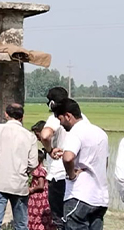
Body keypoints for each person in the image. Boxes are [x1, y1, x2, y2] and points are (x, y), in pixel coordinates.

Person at [51, 99, 108, 230]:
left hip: (79, 196)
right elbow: (104, 162)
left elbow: (68, 158)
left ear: (68, 116)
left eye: (60, 119)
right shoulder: (100, 132)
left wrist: (71, 175)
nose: (61, 124)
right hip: (99, 197)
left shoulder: (75, 132)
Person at [37, 87, 89, 230]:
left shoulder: (55, 117)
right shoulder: (83, 118)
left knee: (59, 218)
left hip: (59, 174)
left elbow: (45, 135)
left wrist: (50, 150)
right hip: (78, 174)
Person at [0, 104, 38, 230]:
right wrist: (23, 171)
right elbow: (33, 163)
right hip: (19, 184)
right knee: (21, 225)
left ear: (6, 114)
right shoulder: (30, 136)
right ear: (22, 117)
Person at [29, 123, 56, 230]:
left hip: (41, 197)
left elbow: (40, 185)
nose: (37, 138)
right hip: (42, 195)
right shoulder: (46, 148)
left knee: (41, 217)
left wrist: (30, 189)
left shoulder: (53, 146)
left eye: (37, 135)